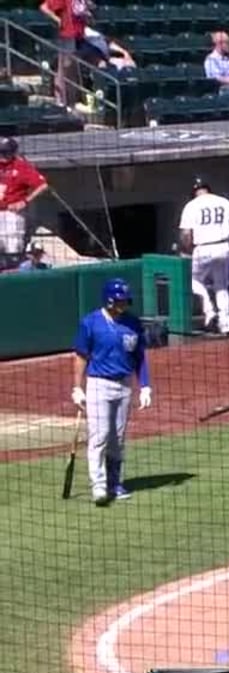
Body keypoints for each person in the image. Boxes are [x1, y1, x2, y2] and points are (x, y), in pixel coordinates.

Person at [69, 278, 152, 507]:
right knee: (99, 436)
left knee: (118, 438)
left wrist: (145, 385)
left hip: (124, 384)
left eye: (125, 301)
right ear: (108, 300)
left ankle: (115, 483)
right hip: (98, 384)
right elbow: (80, 356)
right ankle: (98, 484)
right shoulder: (91, 323)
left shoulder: (133, 323)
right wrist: (77, 387)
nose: (124, 304)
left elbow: (140, 357)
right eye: (120, 301)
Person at [178, 177, 229, 335]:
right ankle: (226, 324)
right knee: (221, 286)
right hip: (222, 246)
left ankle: (209, 311)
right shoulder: (223, 201)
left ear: (195, 191)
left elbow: (185, 234)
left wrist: (187, 250)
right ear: (208, 188)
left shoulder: (191, 205)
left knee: (192, 281)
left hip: (203, 247)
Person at [0, 137, 49, 272]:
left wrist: (25, 201)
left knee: (13, 248)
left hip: (12, 212)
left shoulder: (21, 166)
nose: (2, 156)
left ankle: (13, 276)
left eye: (5, 153)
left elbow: (43, 185)